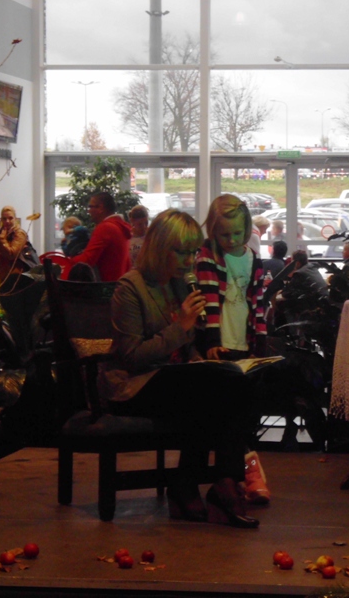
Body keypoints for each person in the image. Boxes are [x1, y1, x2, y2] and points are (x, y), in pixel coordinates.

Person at [102, 209, 259, 529]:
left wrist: (199, 356)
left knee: (234, 380)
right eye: (181, 252)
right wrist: (181, 327)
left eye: (192, 252)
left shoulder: (180, 284)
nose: (189, 261)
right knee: (209, 390)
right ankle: (211, 485)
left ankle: (217, 482)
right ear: (159, 247)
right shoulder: (130, 288)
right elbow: (131, 357)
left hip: (175, 380)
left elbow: (186, 349)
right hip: (132, 385)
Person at [195, 193, 270, 505]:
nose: (231, 239)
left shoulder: (254, 259)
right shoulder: (207, 258)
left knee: (243, 409)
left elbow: (260, 305)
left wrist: (260, 341)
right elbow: (209, 302)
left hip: (244, 342)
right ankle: (244, 475)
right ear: (213, 231)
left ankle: (239, 474)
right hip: (218, 344)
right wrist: (211, 342)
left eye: (237, 233)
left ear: (247, 229)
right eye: (224, 234)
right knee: (224, 410)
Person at [69, 191, 131, 281]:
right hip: (118, 284)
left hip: (105, 286)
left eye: (90, 206)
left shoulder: (105, 228)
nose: (88, 211)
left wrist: (69, 260)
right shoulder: (120, 227)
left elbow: (86, 261)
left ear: (100, 208)